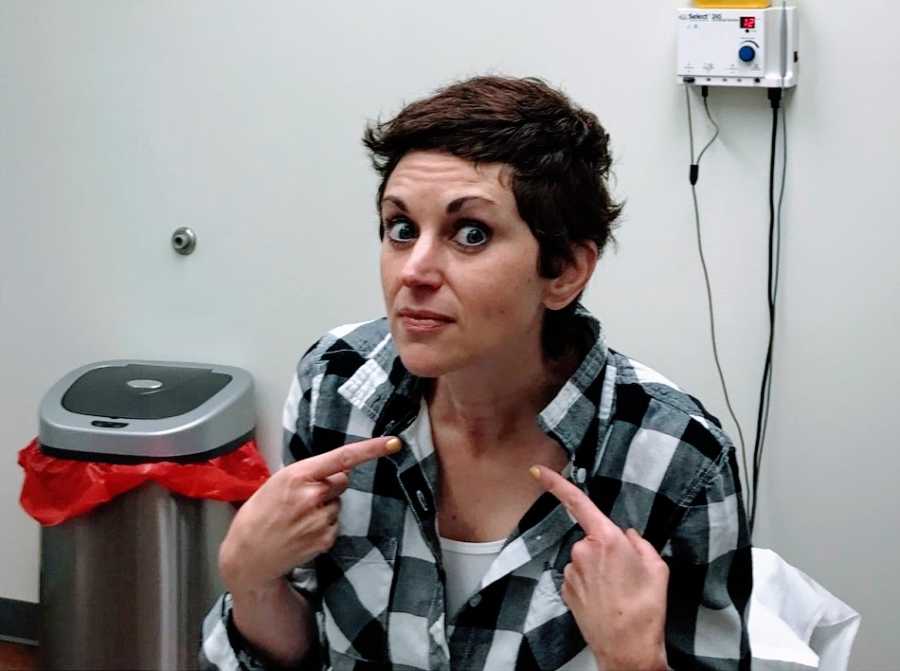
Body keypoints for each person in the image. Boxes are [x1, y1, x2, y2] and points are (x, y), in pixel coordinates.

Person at [201, 75, 752, 670]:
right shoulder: (337, 387)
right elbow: (299, 653)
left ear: (564, 271)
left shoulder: (675, 458)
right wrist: (252, 579)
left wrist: (633, 662)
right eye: (401, 228)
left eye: (471, 234)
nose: (414, 270)